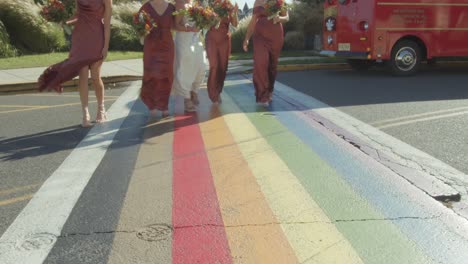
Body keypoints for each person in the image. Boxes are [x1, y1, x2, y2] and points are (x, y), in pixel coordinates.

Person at [38, 0, 112, 127]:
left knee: (95, 76)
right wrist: (64, 22)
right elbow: (78, 15)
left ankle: (101, 109)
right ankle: (85, 113)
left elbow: (107, 23)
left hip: (97, 37)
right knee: (82, 75)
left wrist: (105, 47)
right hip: (80, 37)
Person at [139, 0, 188, 118]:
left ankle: (164, 105)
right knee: (151, 74)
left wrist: (189, 27)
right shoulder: (145, 7)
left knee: (167, 75)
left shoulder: (171, 7)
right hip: (151, 45)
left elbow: (176, 26)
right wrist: (143, 30)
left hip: (167, 45)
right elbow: (138, 26)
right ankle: (152, 104)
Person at [243, 0, 288, 107]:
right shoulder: (257, 1)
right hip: (260, 36)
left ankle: (270, 90)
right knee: (260, 62)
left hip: (275, 36)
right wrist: (247, 38)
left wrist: (279, 18)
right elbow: (253, 20)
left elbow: (286, 17)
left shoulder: (280, 1)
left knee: (272, 65)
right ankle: (263, 95)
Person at [173, 0, 207, 112]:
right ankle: (187, 99)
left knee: (202, 66)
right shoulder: (180, 4)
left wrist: (205, 21)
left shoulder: (196, 4)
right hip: (183, 40)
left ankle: (194, 91)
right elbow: (176, 25)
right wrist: (190, 29)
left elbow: (200, 23)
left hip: (195, 39)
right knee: (185, 69)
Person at [205, 2, 238, 104]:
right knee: (214, 66)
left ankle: (218, 91)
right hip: (212, 38)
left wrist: (235, 12)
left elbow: (235, 24)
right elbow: (204, 23)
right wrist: (214, 18)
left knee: (223, 67)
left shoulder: (228, 5)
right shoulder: (209, 5)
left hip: (224, 39)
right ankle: (213, 94)